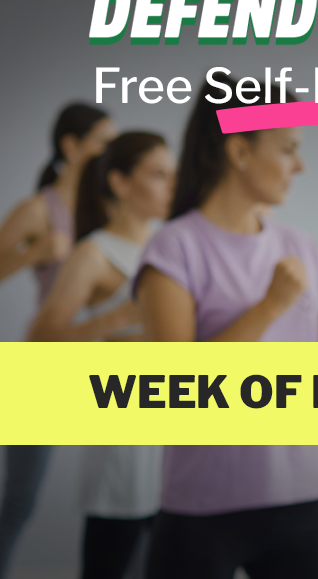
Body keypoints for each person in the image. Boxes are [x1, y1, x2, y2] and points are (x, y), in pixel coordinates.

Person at [134, 77, 318, 579]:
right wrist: (270, 307)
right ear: (240, 149)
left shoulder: (303, 247)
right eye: (288, 148)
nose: (301, 166)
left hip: (303, 496)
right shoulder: (173, 248)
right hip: (202, 504)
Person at [28, 131, 174, 577]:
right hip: (121, 435)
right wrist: (118, 320)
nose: (171, 185)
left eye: (173, 175)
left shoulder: (170, 246)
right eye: (158, 175)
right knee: (111, 559)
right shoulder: (93, 253)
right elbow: (40, 338)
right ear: (120, 182)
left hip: (172, 424)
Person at [0, 103, 117, 579]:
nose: (110, 154)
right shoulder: (38, 209)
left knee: (126, 497)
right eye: (102, 144)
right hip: (45, 366)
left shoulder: (111, 206)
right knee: (21, 500)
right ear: (71, 146)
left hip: (107, 365)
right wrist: (31, 254)